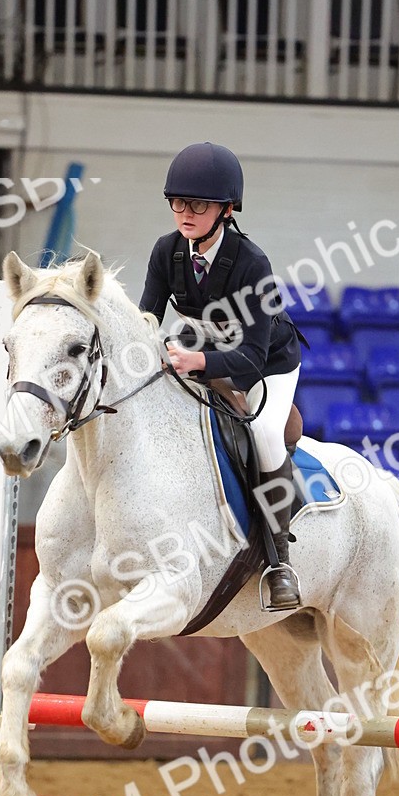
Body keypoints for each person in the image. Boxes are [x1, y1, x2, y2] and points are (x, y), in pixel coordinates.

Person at [139, 141, 303, 611]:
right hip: (204, 349)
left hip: (266, 363)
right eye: (178, 202)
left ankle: (279, 562)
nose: (185, 212)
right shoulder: (167, 252)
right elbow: (146, 321)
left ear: (226, 210)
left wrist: (197, 364)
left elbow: (250, 358)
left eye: (198, 204)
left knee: (267, 433)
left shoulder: (252, 264)